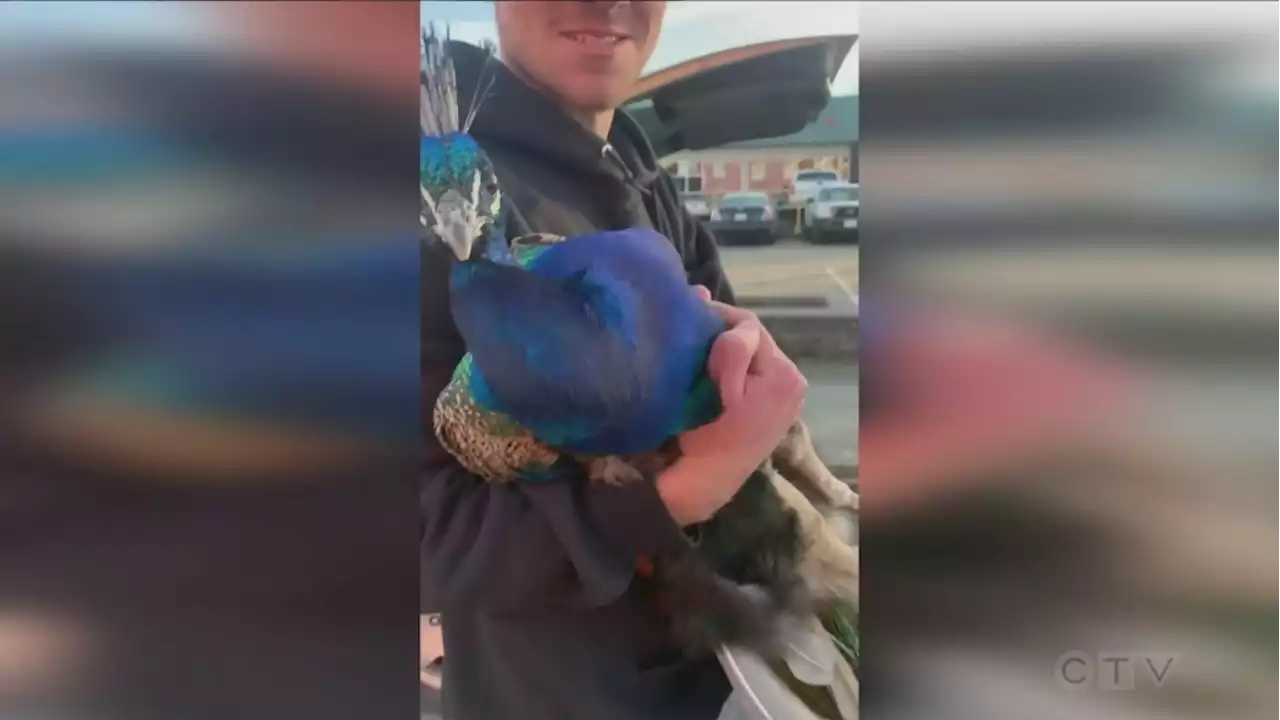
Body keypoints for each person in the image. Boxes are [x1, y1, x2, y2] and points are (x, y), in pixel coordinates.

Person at [420, 2, 809, 719]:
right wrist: (683, 493)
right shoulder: (430, 203)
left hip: (721, 675)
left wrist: (752, 371)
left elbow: (733, 348)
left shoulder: (634, 163)